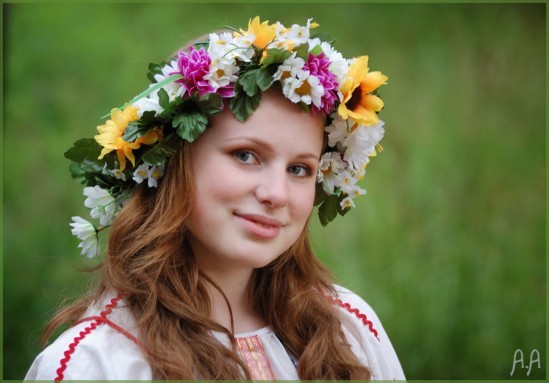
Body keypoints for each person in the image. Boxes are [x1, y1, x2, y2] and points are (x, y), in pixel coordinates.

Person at [25, 17, 404, 381]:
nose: (276, 194)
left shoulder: (349, 331)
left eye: (299, 169)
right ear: (176, 160)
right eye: (245, 155)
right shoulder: (100, 364)